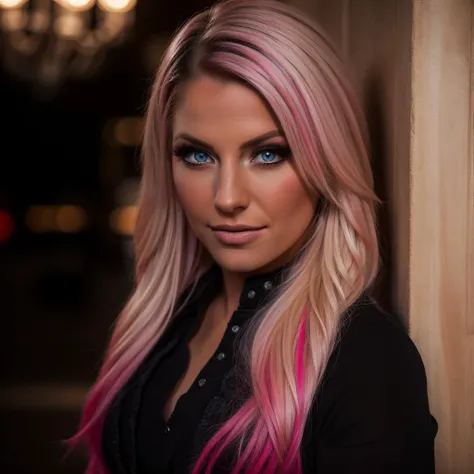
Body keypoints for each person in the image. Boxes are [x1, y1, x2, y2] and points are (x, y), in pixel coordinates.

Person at [70, 0, 438, 472]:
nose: (226, 198)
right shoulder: (160, 324)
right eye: (197, 156)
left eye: (267, 154)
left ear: (326, 157)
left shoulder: (366, 361)